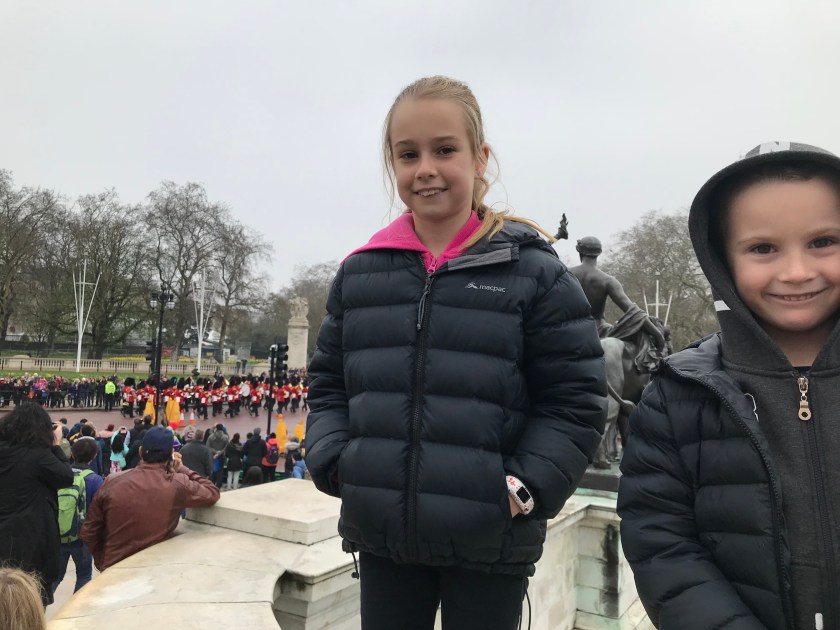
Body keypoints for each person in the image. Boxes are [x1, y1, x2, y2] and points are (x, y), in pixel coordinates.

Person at [305, 75, 606, 630]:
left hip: (491, 537)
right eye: (408, 154)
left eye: (444, 150)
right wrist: (336, 461)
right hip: (384, 533)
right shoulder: (359, 273)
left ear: (479, 158)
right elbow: (327, 385)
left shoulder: (535, 272)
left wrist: (524, 487)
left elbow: (576, 400)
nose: (426, 168)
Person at [618, 142, 840, 630]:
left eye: (823, 241)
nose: (797, 272)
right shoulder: (677, 394)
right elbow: (662, 545)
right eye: (763, 248)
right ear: (723, 261)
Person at [81, 426, 220, 571]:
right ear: (171, 455)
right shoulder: (178, 484)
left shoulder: (112, 481)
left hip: (113, 568)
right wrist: (182, 469)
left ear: (141, 451)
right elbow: (212, 491)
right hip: (151, 570)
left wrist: (103, 562)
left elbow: (89, 531)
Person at [0, 402, 74, 606]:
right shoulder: (39, 455)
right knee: (32, 597)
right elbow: (66, 476)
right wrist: (56, 445)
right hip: (31, 538)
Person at [569, 236, 666, 349]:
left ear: (579, 251)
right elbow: (633, 311)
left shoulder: (565, 274)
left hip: (569, 330)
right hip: (597, 330)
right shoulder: (607, 280)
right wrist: (657, 333)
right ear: (599, 253)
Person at [51, 437, 104, 595]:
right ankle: (75, 607)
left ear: (72, 454)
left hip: (59, 532)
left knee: (55, 576)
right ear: (94, 455)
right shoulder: (95, 480)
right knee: (84, 575)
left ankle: (39, 605)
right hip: (83, 536)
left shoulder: (60, 474)